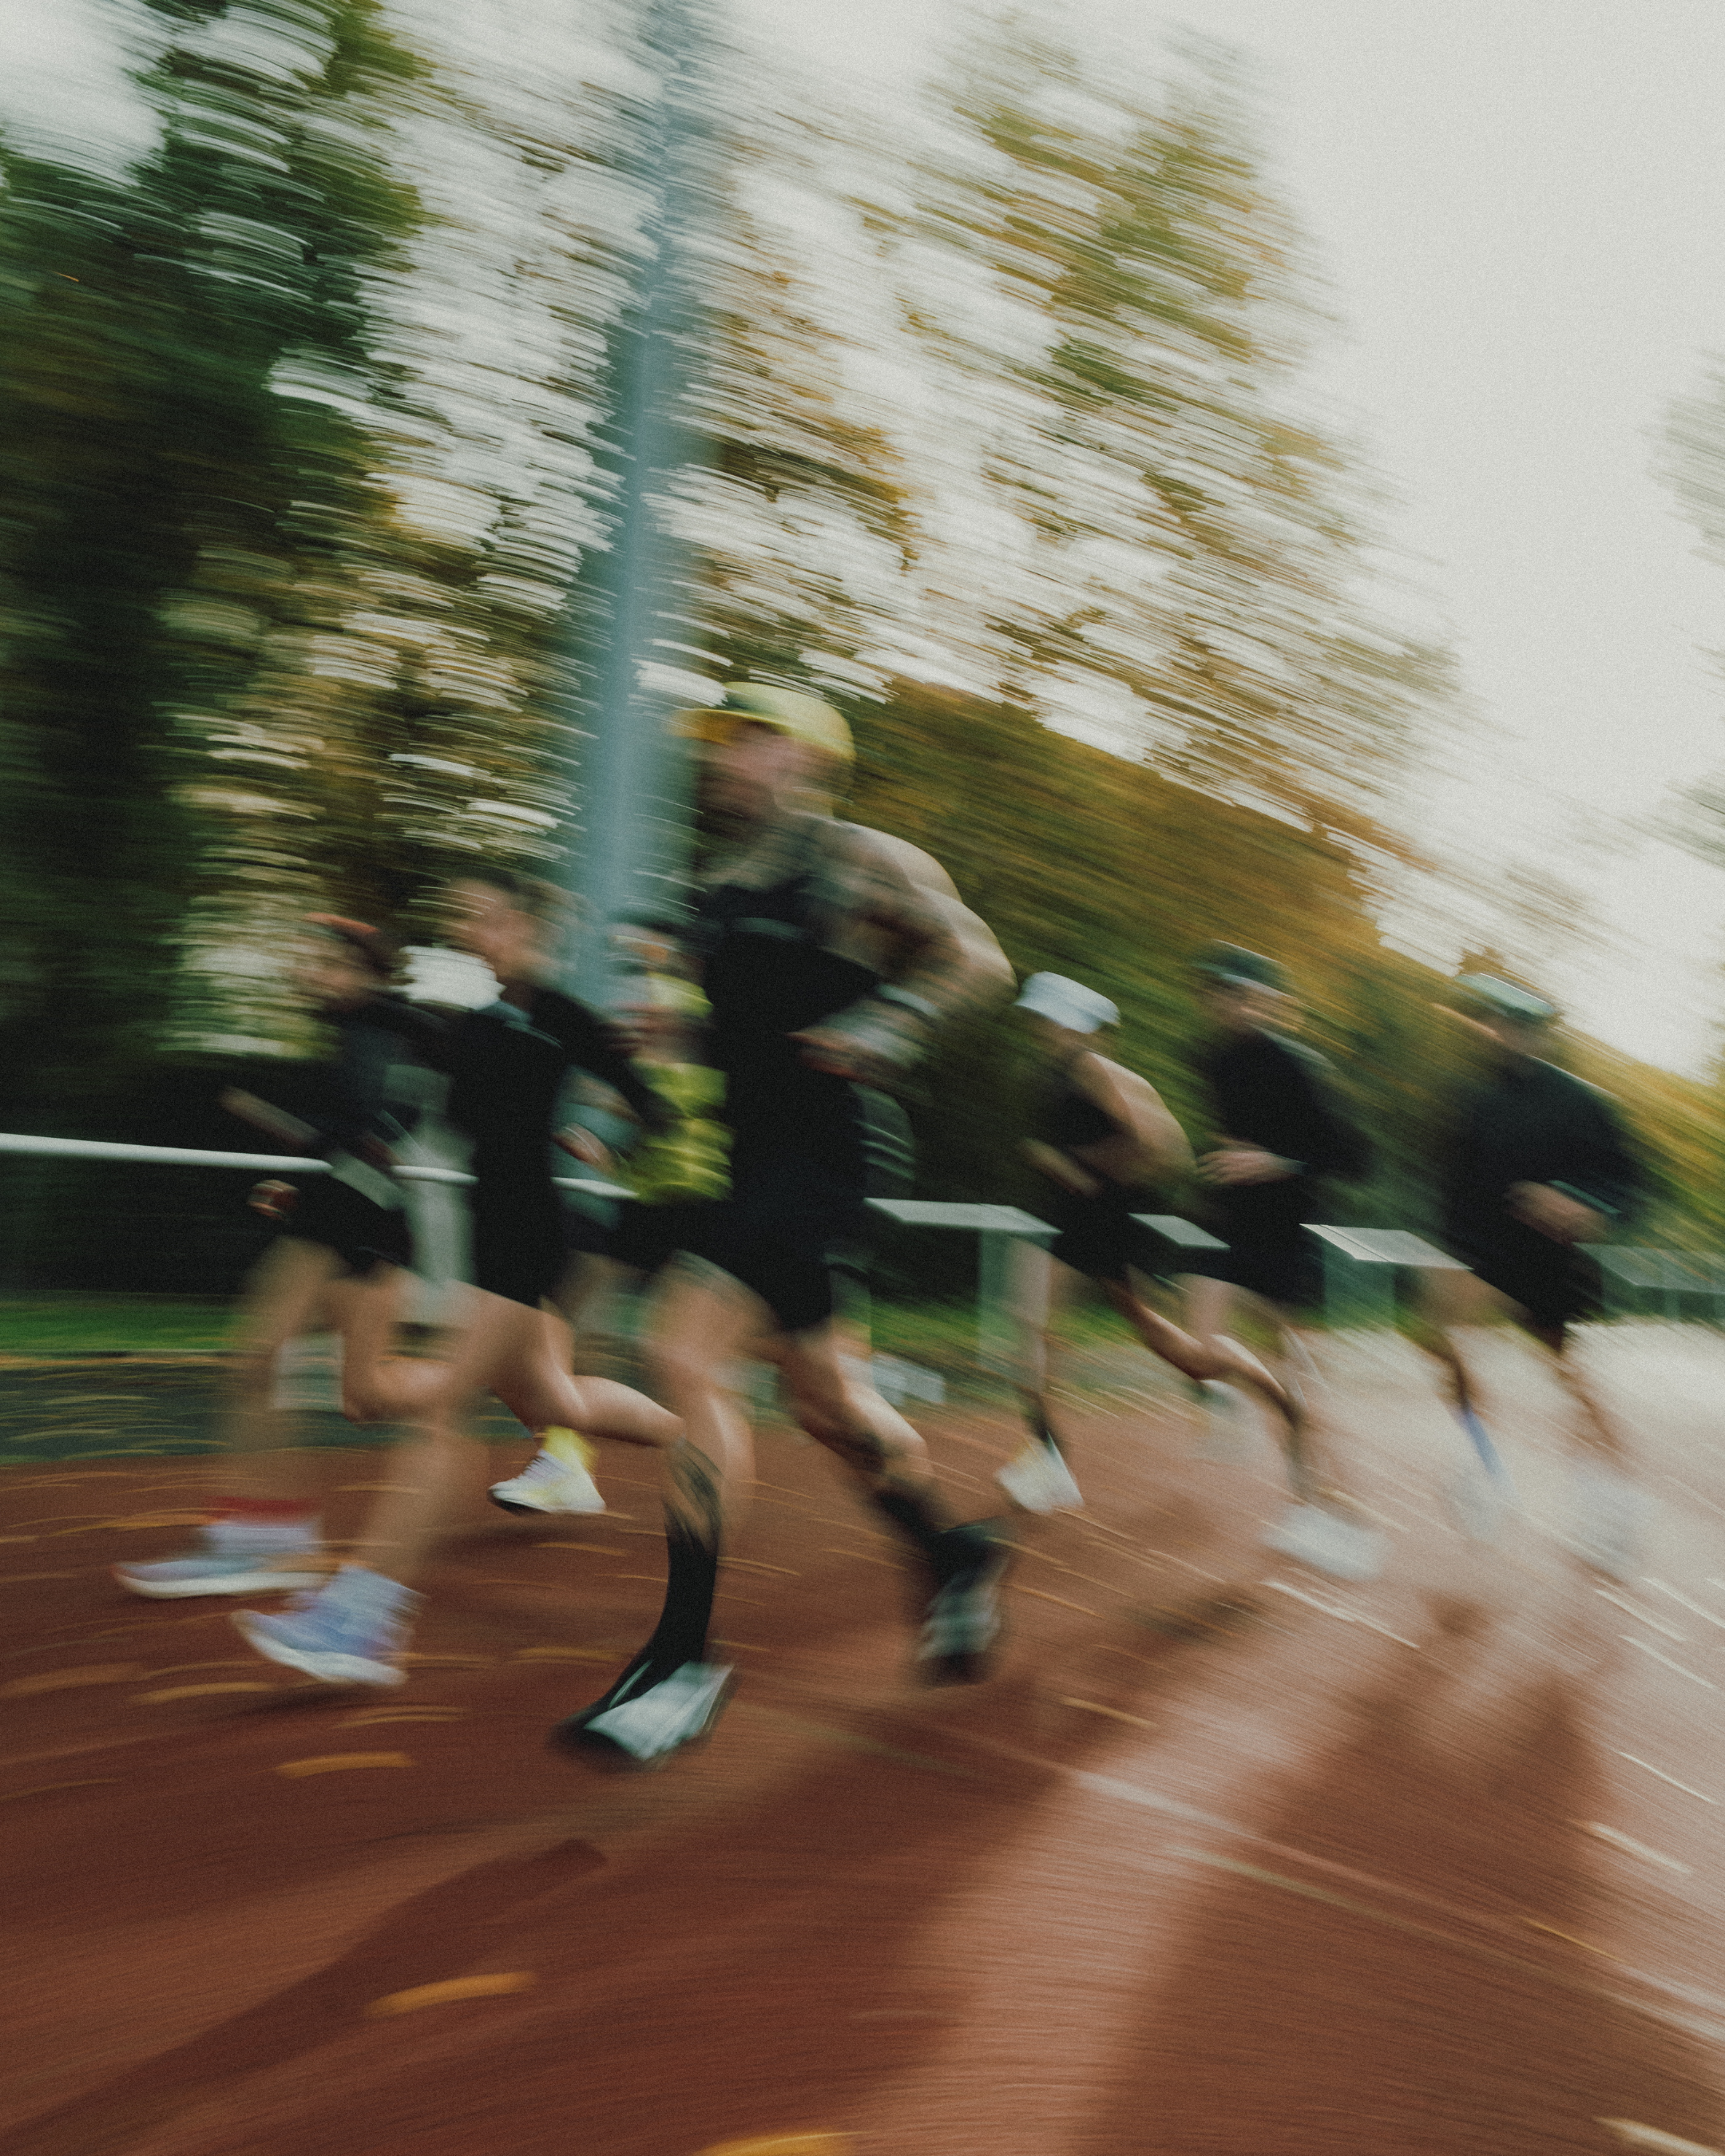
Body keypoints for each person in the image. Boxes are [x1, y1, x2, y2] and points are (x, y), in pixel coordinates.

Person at [551, 682, 1017, 1768]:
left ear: (805, 760)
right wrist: (663, 1043)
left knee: (676, 1347)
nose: (720, 758)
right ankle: (955, 1556)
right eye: (716, 741)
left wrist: (894, 1016)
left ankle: (682, 1663)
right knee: (827, 1405)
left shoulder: (861, 862)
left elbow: (977, 959)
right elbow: (716, 1038)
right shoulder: (709, 890)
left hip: (829, 1149)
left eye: (745, 740)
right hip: (752, 1158)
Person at [231, 870, 687, 1686]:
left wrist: (607, 1143)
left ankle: (362, 1622)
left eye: (490, 916)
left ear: (534, 928)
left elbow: (654, 1106)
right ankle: (690, 1438)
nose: (475, 927)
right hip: (487, 1239)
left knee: (440, 1419)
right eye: (468, 915)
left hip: (530, 1240)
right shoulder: (471, 1026)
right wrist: (320, 1175)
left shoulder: (562, 1017)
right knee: (558, 1403)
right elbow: (403, 1115)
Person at [115, 917, 439, 1599]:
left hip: (364, 1226)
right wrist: (303, 1176)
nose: (309, 969)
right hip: (344, 1218)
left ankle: (485, 1373)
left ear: (364, 970)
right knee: (296, 1371)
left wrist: (328, 1149)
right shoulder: (354, 1034)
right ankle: (267, 1538)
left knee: (315, 1379)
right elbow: (356, 1139)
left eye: (325, 960)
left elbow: (379, 1130)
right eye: (307, 955)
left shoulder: (384, 1025)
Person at [994, 973, 1311, 1515]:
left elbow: (1165, 1147)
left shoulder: (1097, 1069)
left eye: (1049, 1018)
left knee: (1184, 1353)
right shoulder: (1049, 1072)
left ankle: (1272, 1393)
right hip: (1062, 1220)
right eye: (1038, 1018)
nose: (1040, 1026)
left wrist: (1091, 1170)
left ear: (1078, 1025)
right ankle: (1049, 1458)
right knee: (1029, 1326)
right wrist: (1052, 1161)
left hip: (1108, 1221)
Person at [1408, 973, 1646, 1571]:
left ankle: (1615, 1504)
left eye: (1521, 1026)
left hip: (1551, 1261)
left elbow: (1629, 1186)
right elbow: (1449, 1183)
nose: (1507, 1035)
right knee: (1436, 1332)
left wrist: (1584, 1206)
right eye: (1498, 1023)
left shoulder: (1584, 1103)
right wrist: (1449, 1251)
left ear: (1544, 1035)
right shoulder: (1471, 1100)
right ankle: (1483, 1464)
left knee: (1566, 1376)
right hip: (1481, 1252)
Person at [1180, 944, 1387, 1583]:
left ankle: (1341, 1516)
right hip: (1226, 1225)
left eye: (1238, 991)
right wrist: (1226, 1158)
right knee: (1201, 1350)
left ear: (1269, 1001)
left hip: (1289, 1235)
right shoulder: (1212, 1060)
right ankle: (1244, 1407)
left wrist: (1275, 1163)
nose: (1225, 1002)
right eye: (1216, 991)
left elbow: (1356, 1160)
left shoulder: (1303, 1067)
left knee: (1300, 1380)